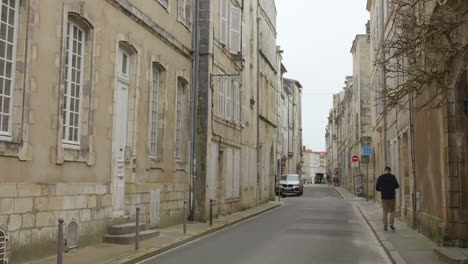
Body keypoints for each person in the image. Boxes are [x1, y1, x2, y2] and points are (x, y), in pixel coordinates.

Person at [376, 167, 400, 231]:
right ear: (390, 171)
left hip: (384, 197)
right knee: (392, 211)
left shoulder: (380, 177)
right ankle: (391, 223)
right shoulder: (393, 177)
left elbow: (377, 188)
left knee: (385, 212)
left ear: (384, 171)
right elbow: (397, 186)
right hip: (392, 197)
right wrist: (392, 187)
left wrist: (382, 189)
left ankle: (385, 226)